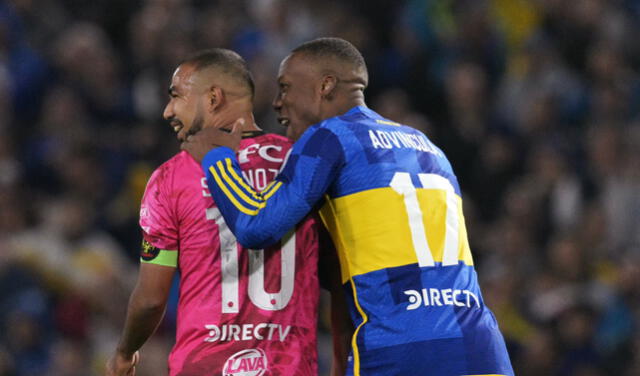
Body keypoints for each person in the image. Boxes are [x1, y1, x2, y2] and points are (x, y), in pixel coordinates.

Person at [182, 38, 515, 375]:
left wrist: (217, 154)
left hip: (400, 348)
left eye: (285, 88)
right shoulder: (428, 148)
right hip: (479, 346)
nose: (278, 102)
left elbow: (255, 223)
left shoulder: (330, 137)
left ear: (325, 86)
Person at [106, 48, 340, 376]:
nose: (167, 110)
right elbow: (339, 276)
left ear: (213, 98)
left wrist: (125, 351)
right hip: (289, 366)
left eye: (176, 96)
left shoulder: (171, 177)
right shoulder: (304, 165)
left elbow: (150, 300)